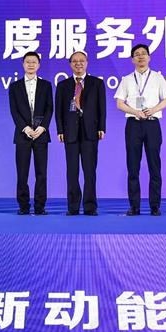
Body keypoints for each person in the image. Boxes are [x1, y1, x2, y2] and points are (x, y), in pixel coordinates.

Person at [114, 44, 166, 216]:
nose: (141, 56)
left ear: (149, 57)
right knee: (133, 166)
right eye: (137, 54)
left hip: (152, 124)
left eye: (143, 54)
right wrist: (135, 112)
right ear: (132, 59)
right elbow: (119, 103)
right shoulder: (126, 80)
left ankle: (155, 206)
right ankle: (134, 206)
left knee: (154, 166)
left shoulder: (158, 78)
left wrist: (153, 110)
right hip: (133, 124)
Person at [55, 51, 106, 216]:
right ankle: (73, 206)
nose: (78, 64)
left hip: (90, 131)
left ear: (87, 63)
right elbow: (59, 111)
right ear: (70, 64)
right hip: (70, 132)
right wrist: (60, 130)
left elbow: (102, 108)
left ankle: (90, 206)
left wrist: (102, 127)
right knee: (72, 171)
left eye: (82, 61)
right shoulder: (63, 85)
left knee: (90, 171)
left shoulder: (97, 83)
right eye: (75, 61)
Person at [8, 51, 53, 215]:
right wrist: (25, 128)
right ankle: (23, 206)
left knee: (41, 173)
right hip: (22, 135)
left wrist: (43, 127)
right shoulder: (15, 86)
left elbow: (49, 108)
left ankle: (40, 206)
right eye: (28, 62)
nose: (31, 64)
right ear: (23, 64)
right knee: (22, 173)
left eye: (34, 62)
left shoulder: (46, 85)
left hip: (41, 135)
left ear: (39, 65)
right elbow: (14, 110)